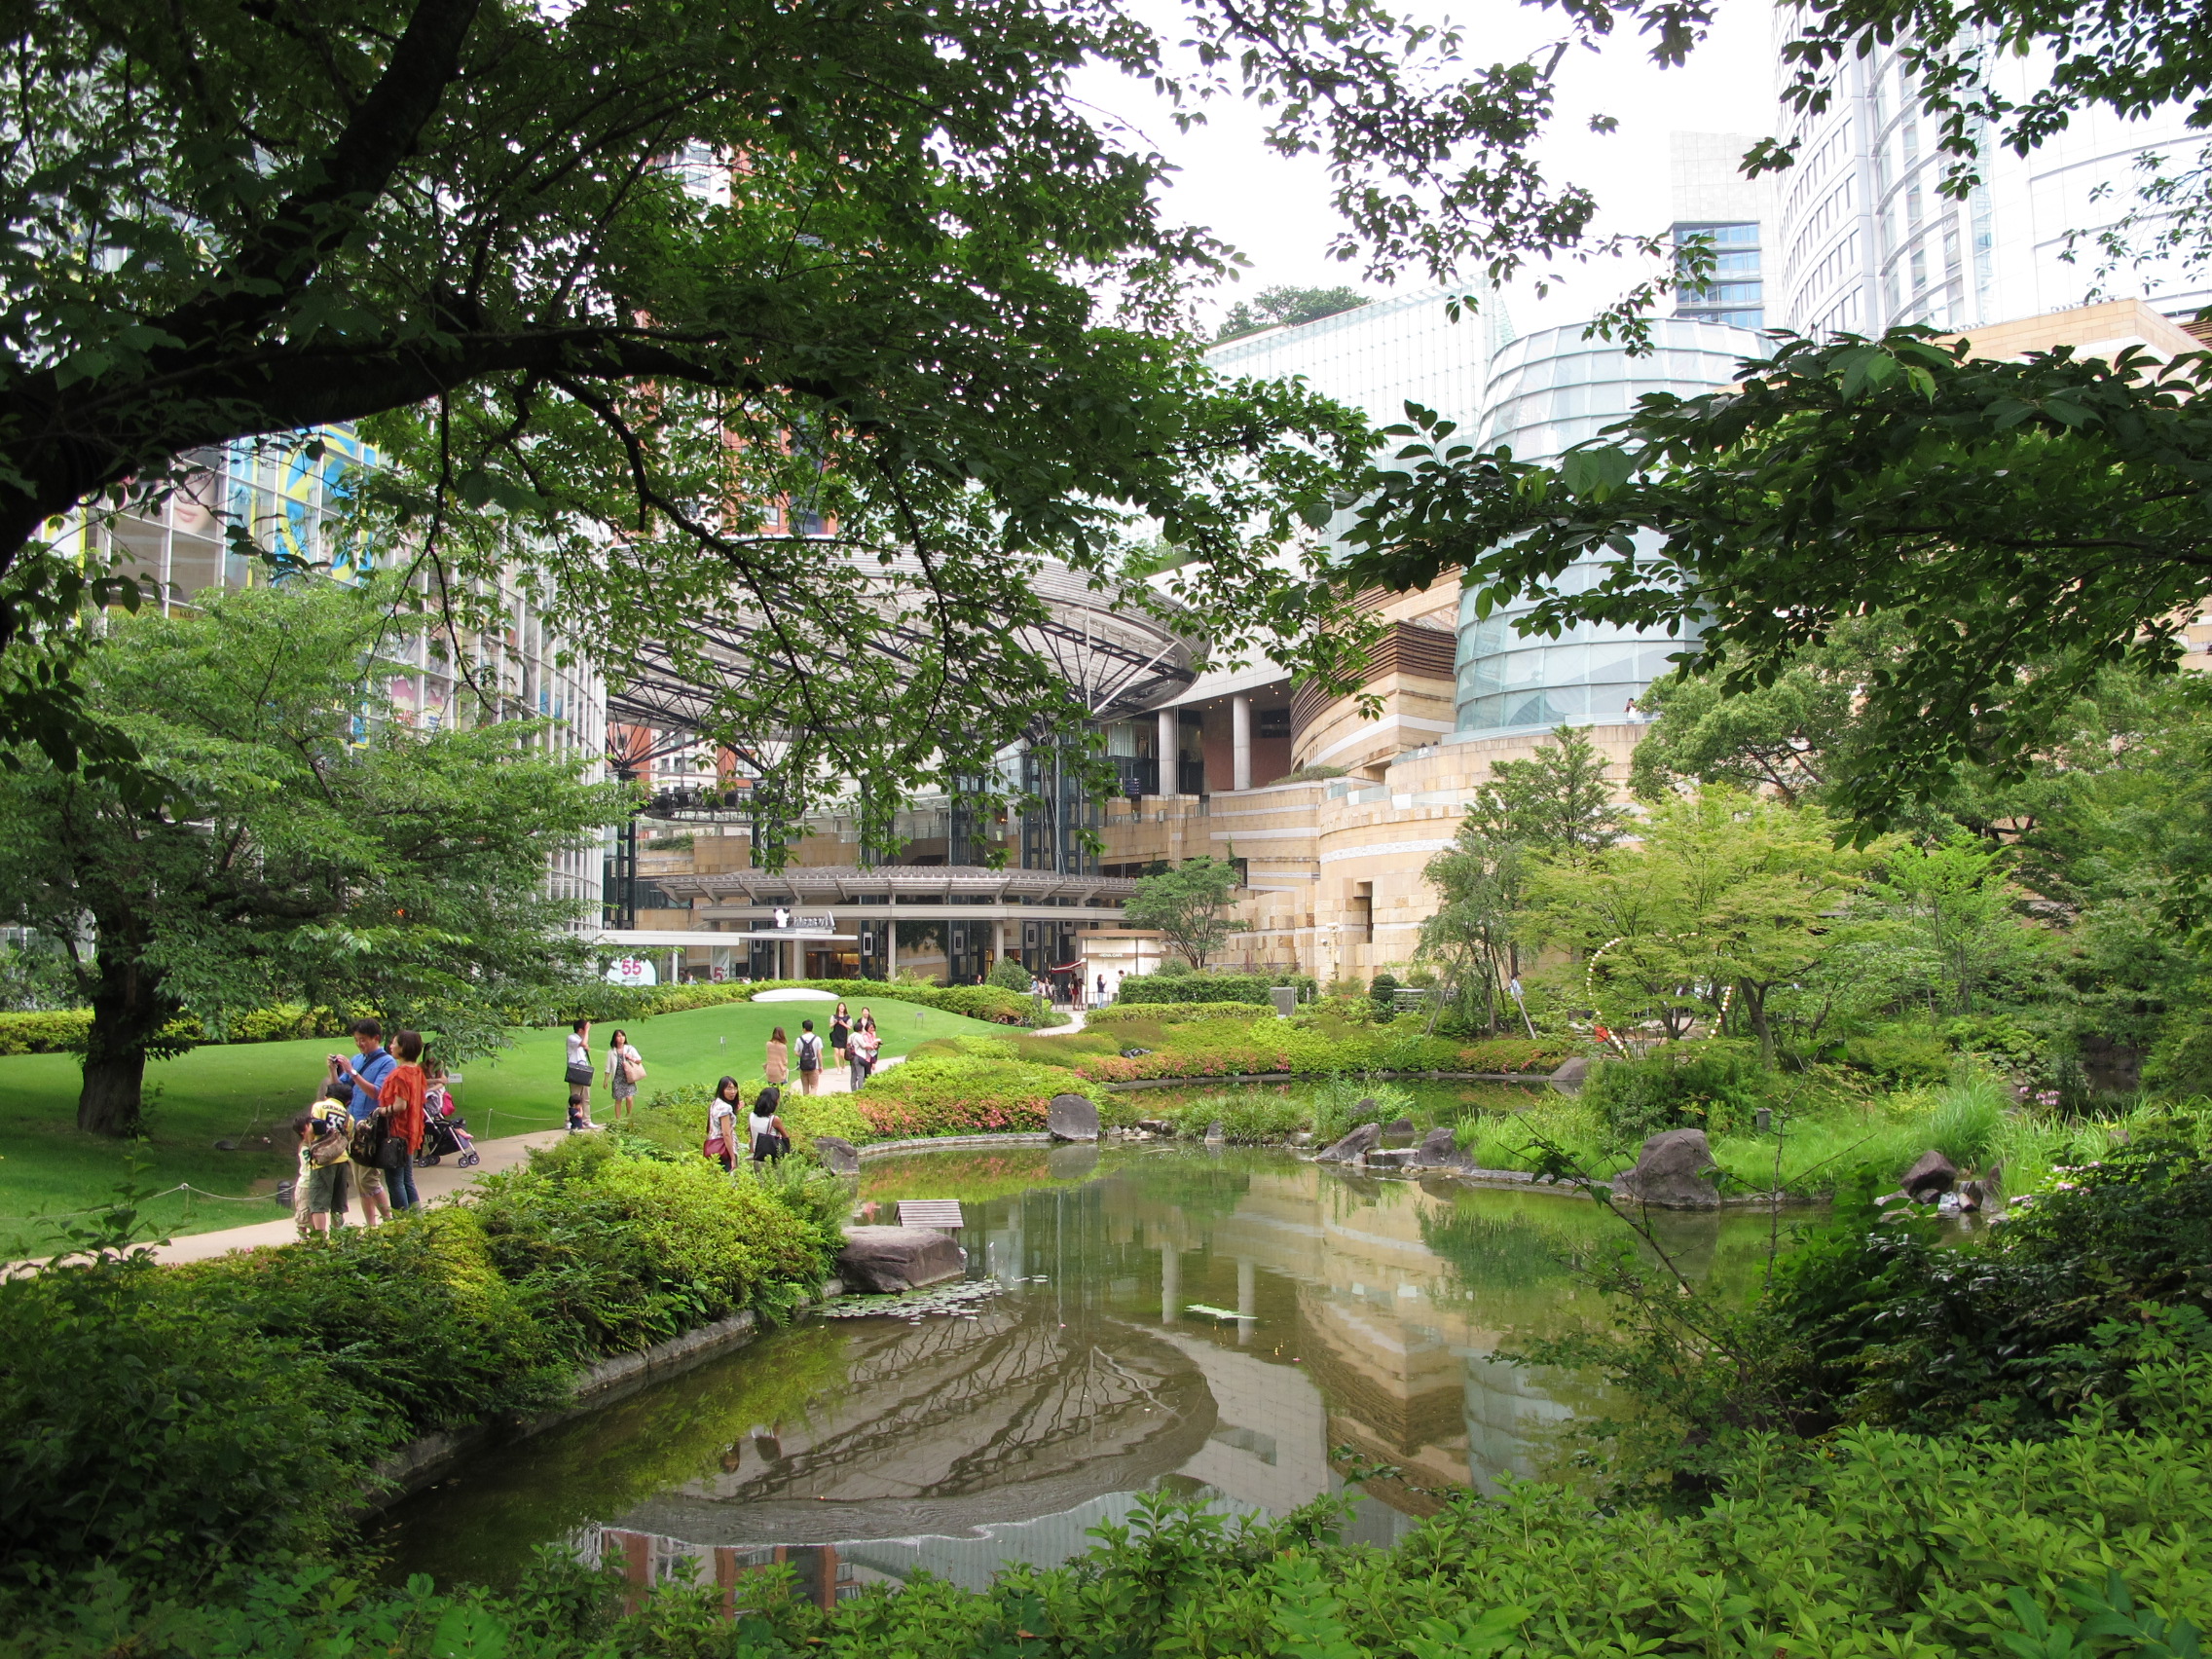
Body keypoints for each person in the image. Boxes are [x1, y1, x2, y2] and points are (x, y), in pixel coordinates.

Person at [380, 1028, 428, 1211]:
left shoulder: (399, 1074)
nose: (391, 1046)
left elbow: (401, 1105)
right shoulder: (417, 1071)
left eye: (394, 1043)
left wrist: (380, 1111)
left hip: (396, 1133)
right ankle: (416, 1218)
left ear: (403, 1048)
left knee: (395, 1181)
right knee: (407, 1179)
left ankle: (403, 1222)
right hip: (411, 1131)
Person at [294, 1096, 353, 1237]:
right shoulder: (348, 1116)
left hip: (322, 1163)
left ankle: (319, 1238)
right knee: (338, 1204)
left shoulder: (319, 1107)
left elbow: (318, 1127)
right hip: (341, 1159)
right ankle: (337, 1235)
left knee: (318, 1205)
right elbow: (349, 1136)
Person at [605, 1026, 645, 1123]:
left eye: (623, 1036)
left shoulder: (630, 1049)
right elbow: (608, 1067)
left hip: (628, 1077)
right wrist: (605, 1080)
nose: (621, 1038)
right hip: (617, 1078)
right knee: (618, 1099)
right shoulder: (611, 1052)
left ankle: (628, 1115)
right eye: (619, 1036)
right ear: (615, 1038)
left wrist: (631, 1058)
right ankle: (618, 1119)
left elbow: (639, 1060)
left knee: (629, 1098)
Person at [747, 1086, 790, 1164]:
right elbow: (786, 1137)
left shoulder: (751, 1115)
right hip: (770, 1156)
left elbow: (751, 1135)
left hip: (756, 1154)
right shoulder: (774, 1120)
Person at [566, 1017, 596, 1130]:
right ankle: (569, 1120)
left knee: (586, 1097)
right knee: (574, 1097)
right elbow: (583, 1043)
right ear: (581, 1029)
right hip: (575, 1070)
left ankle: (586, 1120)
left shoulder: (582, 1040)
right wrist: (587, 1031)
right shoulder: (572, 1038)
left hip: (584, 1070)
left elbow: (584, 1045)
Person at [708, 1076, 742, 1172]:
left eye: (735, 1088)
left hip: (713, 1146)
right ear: (722, 1089)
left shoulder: (716, 1103)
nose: (733, 1092)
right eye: (729, 1088)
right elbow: (726, 1134)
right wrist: (733, 1157)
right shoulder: (725, 1108)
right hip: (723, 1149)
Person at [848, 1011, 880, 1091]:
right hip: (859, 1056)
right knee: (861, 1074)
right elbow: (864, 1045)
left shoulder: (850, 1036)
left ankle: (853, 1089)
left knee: (853, 1074)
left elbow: (848, 1045)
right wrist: (873, 1044)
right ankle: (860, 1090)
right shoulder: (859, 1036)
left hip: (851, 1057)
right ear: (861, 1029)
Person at [793, 1018, 824, 1095]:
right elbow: (819, 1054)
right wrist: (821, 1066)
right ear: (812, 1028)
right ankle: (809, 1099)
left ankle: (805, 1103)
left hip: (803, 1066)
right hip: (814, 1065)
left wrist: (803, 1056)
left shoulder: (799, 1039)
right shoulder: (817, 1039)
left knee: (805, 1087)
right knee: (814, 1087)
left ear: (804, 1029)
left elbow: (796, 1052)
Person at [830, 1002, 851, 1068]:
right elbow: (830, 1026)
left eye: (843, 1006)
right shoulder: (834, 1016)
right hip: (836, 1035)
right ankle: (838, 1068)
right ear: (838, 1007)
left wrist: (843, 1024)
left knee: (841, 1053)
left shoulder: (847, 1017)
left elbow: (849, 1027)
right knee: (836, 1052)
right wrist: (835, 1023)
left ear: (845, 1008)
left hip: (843, 1036)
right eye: (840, 1006)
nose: (841, 1007)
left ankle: (843, 1063)